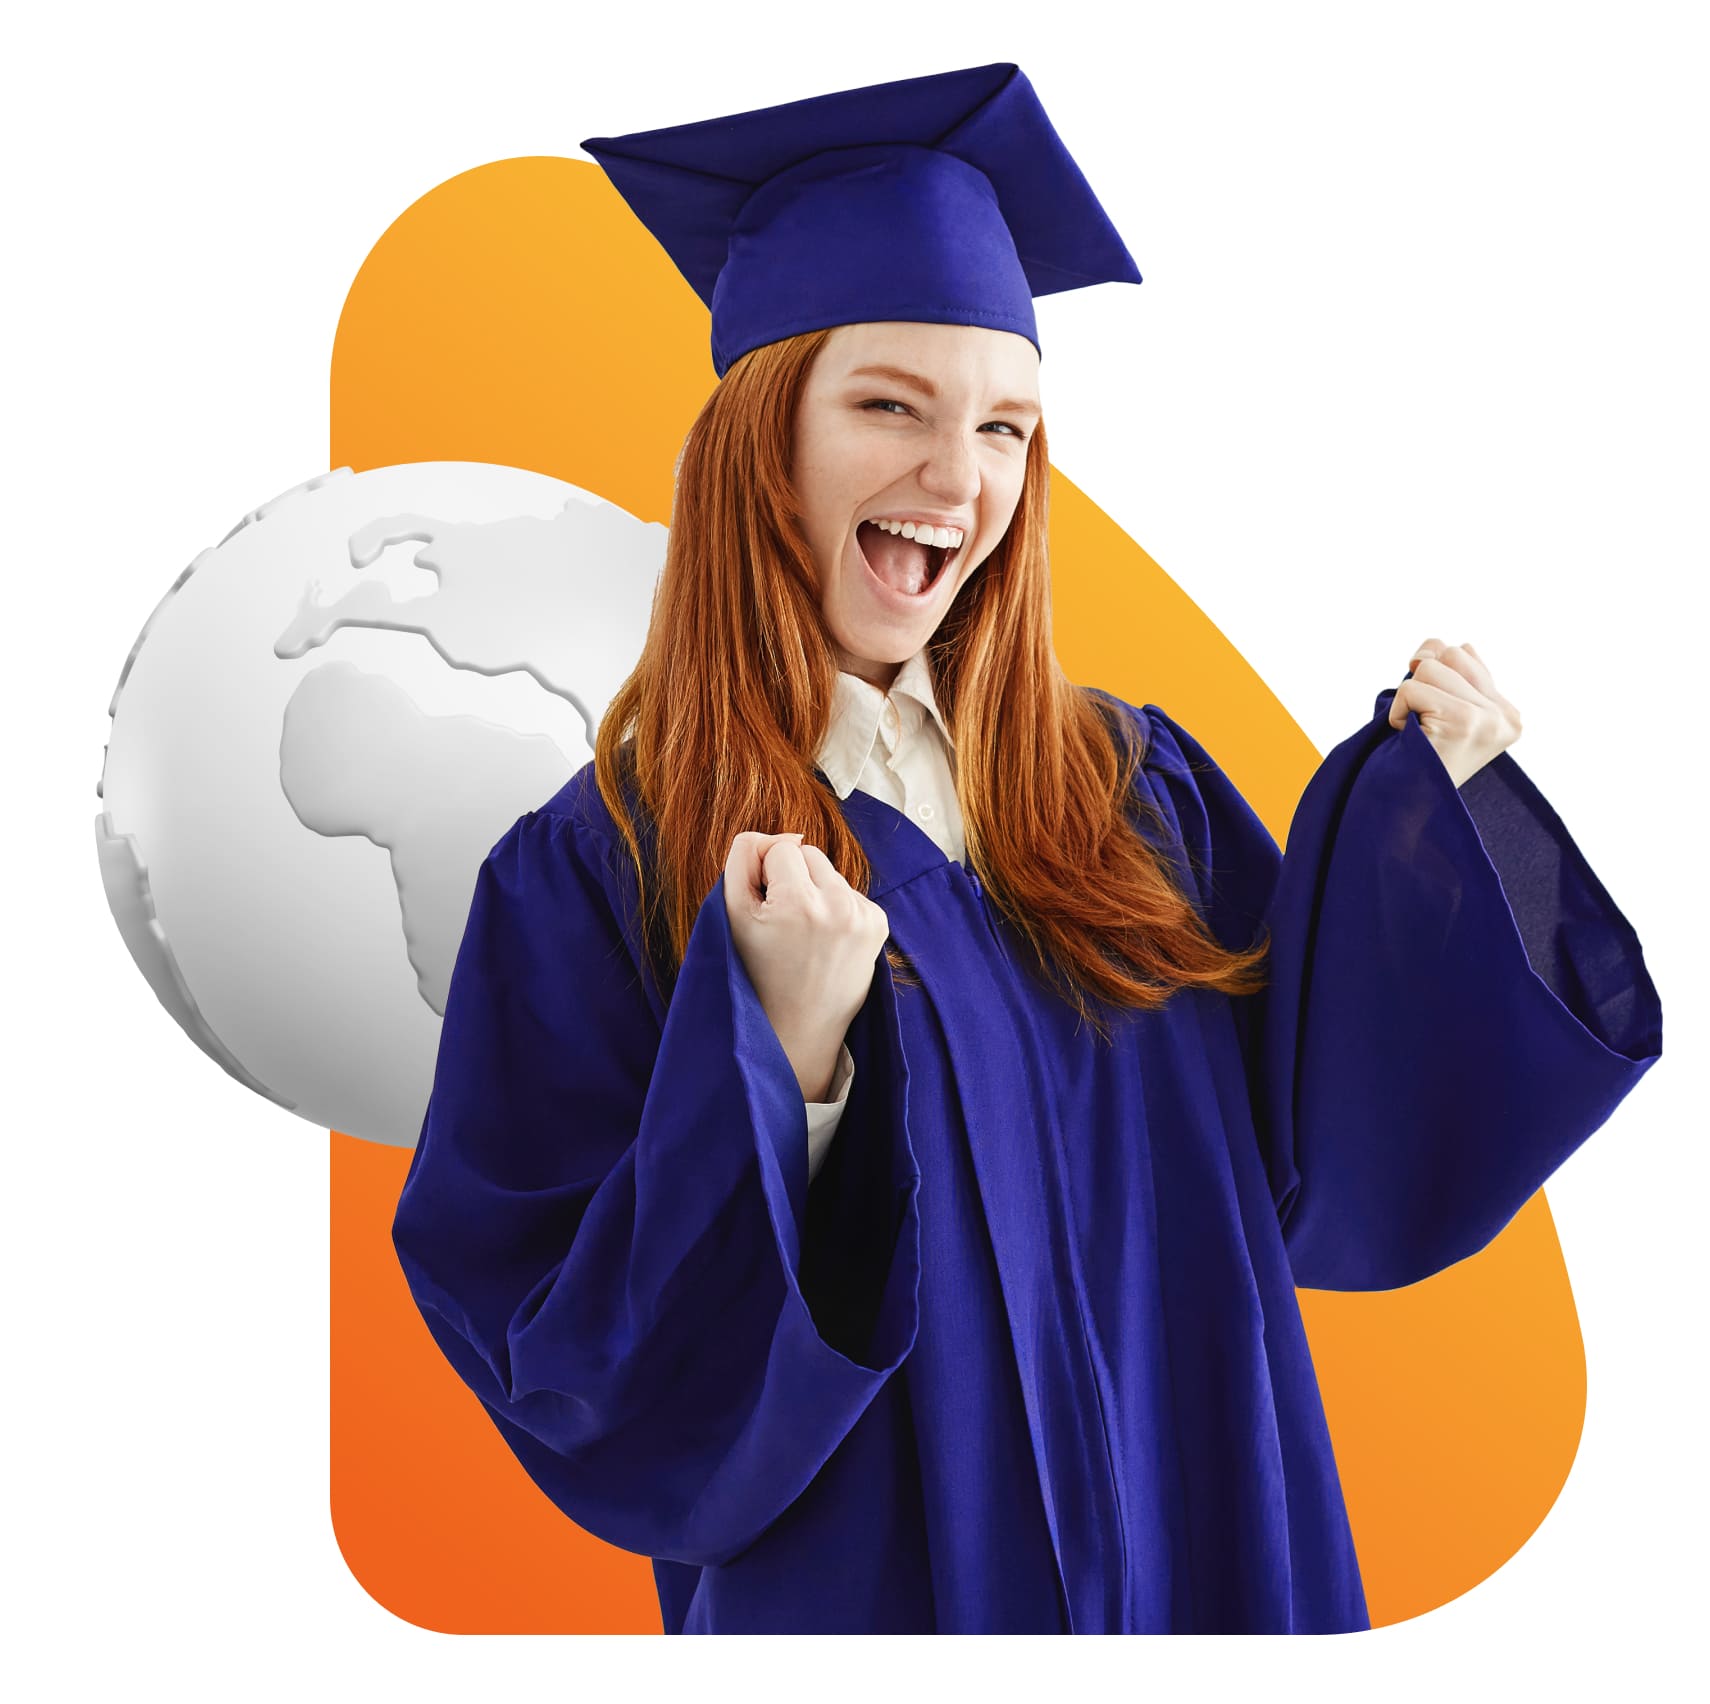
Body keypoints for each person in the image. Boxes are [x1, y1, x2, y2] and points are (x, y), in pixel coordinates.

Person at [389, 64, 1664, 1634]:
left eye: (1005, 427)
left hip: (1208, 1557)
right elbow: (578, 1374)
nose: (956, 480)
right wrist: (785, 1071)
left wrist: (1430, 831)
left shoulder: (1133, 791)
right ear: (756, 439)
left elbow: (1318, 1161)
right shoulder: (604, 872)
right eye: (888, 406)